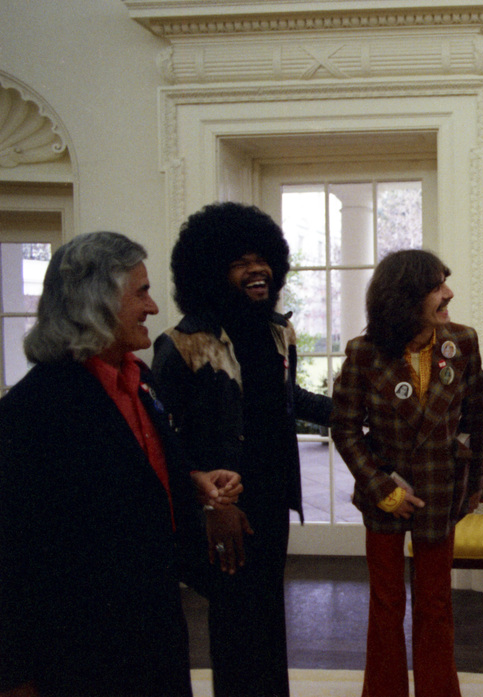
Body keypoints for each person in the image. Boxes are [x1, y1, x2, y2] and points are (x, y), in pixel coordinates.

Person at [0, 232, 240, 697]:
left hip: (155, 632)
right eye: (141, 293)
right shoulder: (32, 411)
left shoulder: (138, 379)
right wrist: (13, 676)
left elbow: (134, 465)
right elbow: (10, 555)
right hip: (82, 653)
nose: (153, 308)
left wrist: (190, 479)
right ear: (95, 304)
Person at [152, 202, 332, 697]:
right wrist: (209, 505)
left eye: (262, 258)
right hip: (225, 508)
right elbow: (161, 434)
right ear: (211, 271)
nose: (257, 269)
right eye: (239, 261)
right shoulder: (183, 344)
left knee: (269, 619)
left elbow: (286, 398)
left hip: (272, 500)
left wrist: (352, 412)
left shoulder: (279, 331)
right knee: (235, 624)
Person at [331, 249, 483, 697]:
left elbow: (475, 422)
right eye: (437, 287)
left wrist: (472, 487)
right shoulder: (364, 352)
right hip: (385, 500)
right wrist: (381, 488)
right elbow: (344, 428)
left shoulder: (464, 341)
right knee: (386, 605)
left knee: (435, 605)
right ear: (406, 297)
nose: (449, 294)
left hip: (442, 495)